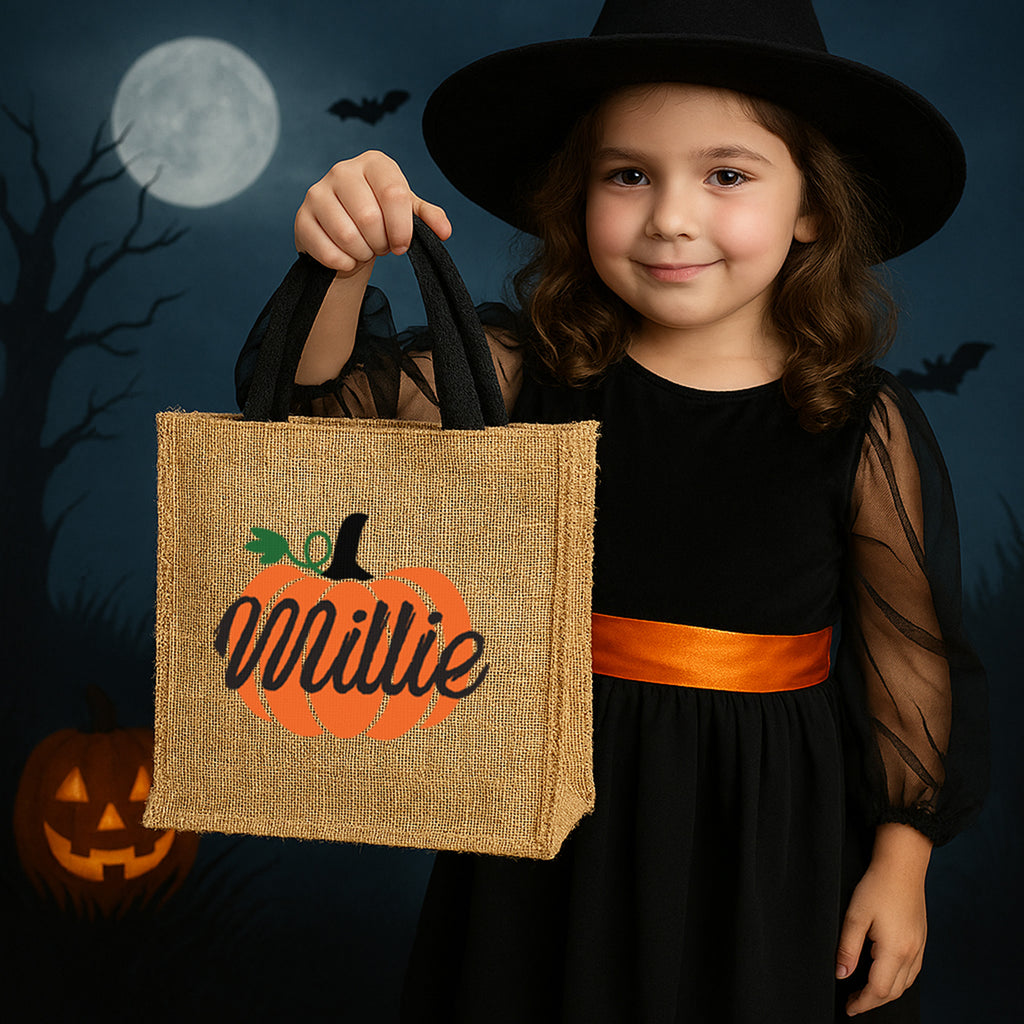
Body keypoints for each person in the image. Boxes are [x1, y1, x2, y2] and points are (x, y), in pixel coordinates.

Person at [236, 2, 987, 1021]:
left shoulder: (857, 421)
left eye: (726, 175)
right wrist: (345, 260)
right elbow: (304, 418)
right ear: (575, 193)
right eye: (628, 174)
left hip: (762, 831)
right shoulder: (519, 372)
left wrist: (902, 862)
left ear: (810, 203)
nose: (670, 215)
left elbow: (912, 659)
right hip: (545, 822)